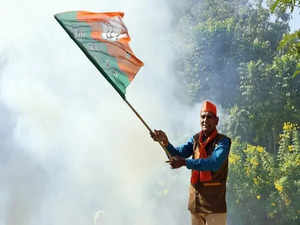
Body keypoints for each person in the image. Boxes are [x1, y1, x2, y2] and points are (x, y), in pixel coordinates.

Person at [151, 101, 231, 225]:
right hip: (195, 206)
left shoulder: (223, 142)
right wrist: (165, 142)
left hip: (214, 207)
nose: (205, 120)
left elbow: (213, 163)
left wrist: (185, 162)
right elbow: (176, 154)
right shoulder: (195, 140)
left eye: (209, 117)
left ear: (216, 121)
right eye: (202, 117)